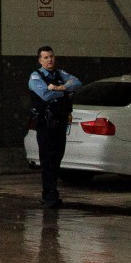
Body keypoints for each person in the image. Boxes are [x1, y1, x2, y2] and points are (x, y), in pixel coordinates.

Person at [29, 47, 85, 208]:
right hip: (46, 124)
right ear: (40, 60)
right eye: (45, 57)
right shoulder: (36, 76)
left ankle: (52, 192)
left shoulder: (60, 74)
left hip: (60, 123)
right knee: (47, 160)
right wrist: (66, 91)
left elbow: (77, 83)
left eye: (51, 56)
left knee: (56, 158)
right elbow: (45, 95)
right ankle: (48, 195)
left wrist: (59, 88)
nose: (49, 60)